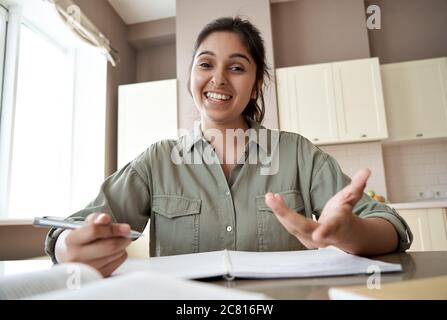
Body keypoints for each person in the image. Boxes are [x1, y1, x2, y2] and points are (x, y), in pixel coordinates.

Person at [46, 17, 412, 277]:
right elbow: (72, 229)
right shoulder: (157, 160)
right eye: (205, 64)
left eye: (237, 67)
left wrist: (349, 233)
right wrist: (68, 249)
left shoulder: (298, 153)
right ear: (191, 77)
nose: (218, 78)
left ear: (255, 86)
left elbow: (392, 227)